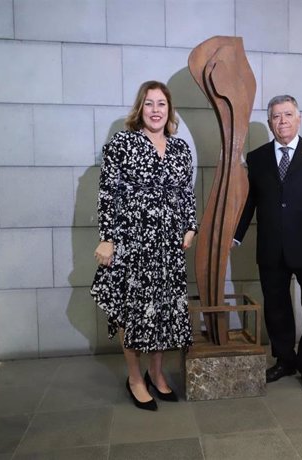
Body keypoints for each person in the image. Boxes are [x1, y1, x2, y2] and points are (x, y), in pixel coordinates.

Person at [91, 81, 197, 411]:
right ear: (140, 109)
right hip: (132, 242)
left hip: (167, 246)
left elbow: (186, 192)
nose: (155, 110)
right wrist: (107, 238)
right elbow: (108, 193)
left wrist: (190, 225)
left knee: (162, 310)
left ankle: (156, 372)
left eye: (161, 104)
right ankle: (135, 378)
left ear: (169, 109)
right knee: (133, 311)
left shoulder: (180, 149)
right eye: (149, 104)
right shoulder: (122, 144)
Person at [234, 94, 302, 396]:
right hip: (272, 248)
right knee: (277, 309)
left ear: (299, 118)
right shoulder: (257, 159)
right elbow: (250, 202)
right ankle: (284, 359)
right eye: (276, 116)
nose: (282, 121)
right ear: (269, 122)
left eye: (287, 115)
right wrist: (235, 235)